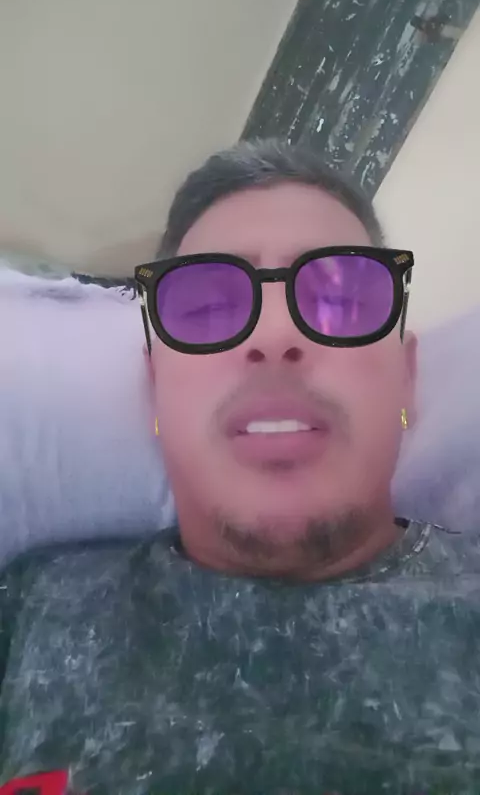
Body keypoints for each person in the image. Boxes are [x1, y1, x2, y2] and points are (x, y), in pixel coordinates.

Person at [0, 139, 478, 795]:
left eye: (340, 299)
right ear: (156, 391)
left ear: (406, 380)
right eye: (207, 307)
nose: (275, 336)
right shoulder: (34, 606)